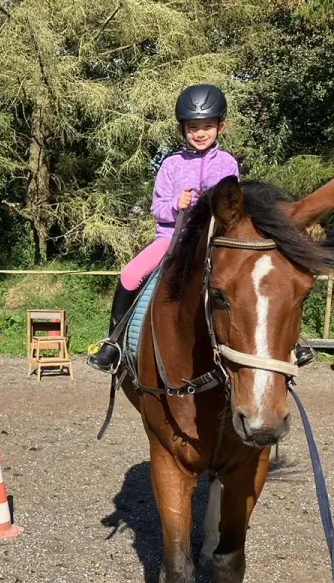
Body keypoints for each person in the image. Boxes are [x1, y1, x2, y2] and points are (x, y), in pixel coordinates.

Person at [88, 84, 240, 373]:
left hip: (215, 239)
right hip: (172, 238)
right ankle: (114, 344)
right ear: (182, 128)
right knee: (130, 274)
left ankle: (286, 345)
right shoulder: (170, 165)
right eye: (193, 127)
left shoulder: (227, 164)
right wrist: (176, 204)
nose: (200, 133)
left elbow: (233, 207)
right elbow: (156, 208)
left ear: (221, 126)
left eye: (207, 126)